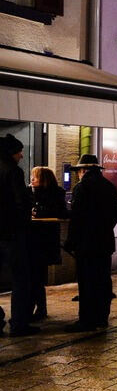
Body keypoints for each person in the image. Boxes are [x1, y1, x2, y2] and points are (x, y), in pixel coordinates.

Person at [63, 155, 117, 332]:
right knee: (103, 280)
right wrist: (105, 227)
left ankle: (86, 320)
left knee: (87, 281)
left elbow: (77, 217)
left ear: (83, 171)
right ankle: (101, 317)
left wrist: (71, 241)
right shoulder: (109, 186)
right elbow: (116, 213)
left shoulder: (82, 188)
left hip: (86, 243)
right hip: (104, 241)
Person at [0, 134, 33, 336]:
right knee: (21, 278)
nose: (21, 155)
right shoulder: (13, 171)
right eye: (19, 152)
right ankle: (19, 323)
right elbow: (22, 204)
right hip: (11, 234)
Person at [29, 166, 67, 322]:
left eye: (35, 177)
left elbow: (59, 212)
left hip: (43, 240)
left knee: (36, 275)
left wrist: (36, 212)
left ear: (44, 179)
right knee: (34, 275)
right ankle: (37, 307)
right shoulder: (28, 192)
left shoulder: (56, 193)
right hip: (33, 239)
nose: (32, 180)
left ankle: (39, 308)